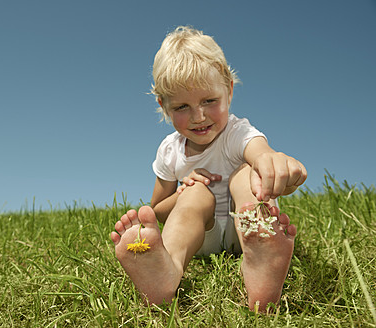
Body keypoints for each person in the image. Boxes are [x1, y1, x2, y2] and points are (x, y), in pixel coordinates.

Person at [110, 26, 307, 311]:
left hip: (245, 232)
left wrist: (272, 163)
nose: (198, 116)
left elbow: (260, 152)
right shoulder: (169, 150)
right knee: (196, 194)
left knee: (245, 174)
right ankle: (168, 265)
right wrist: (183, 190)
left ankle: (260, 257)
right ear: (163, 105)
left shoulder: (237, 133)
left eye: (209, 101)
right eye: (181, 107)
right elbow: (156, 212)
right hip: (201, 236)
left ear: (228, 90)